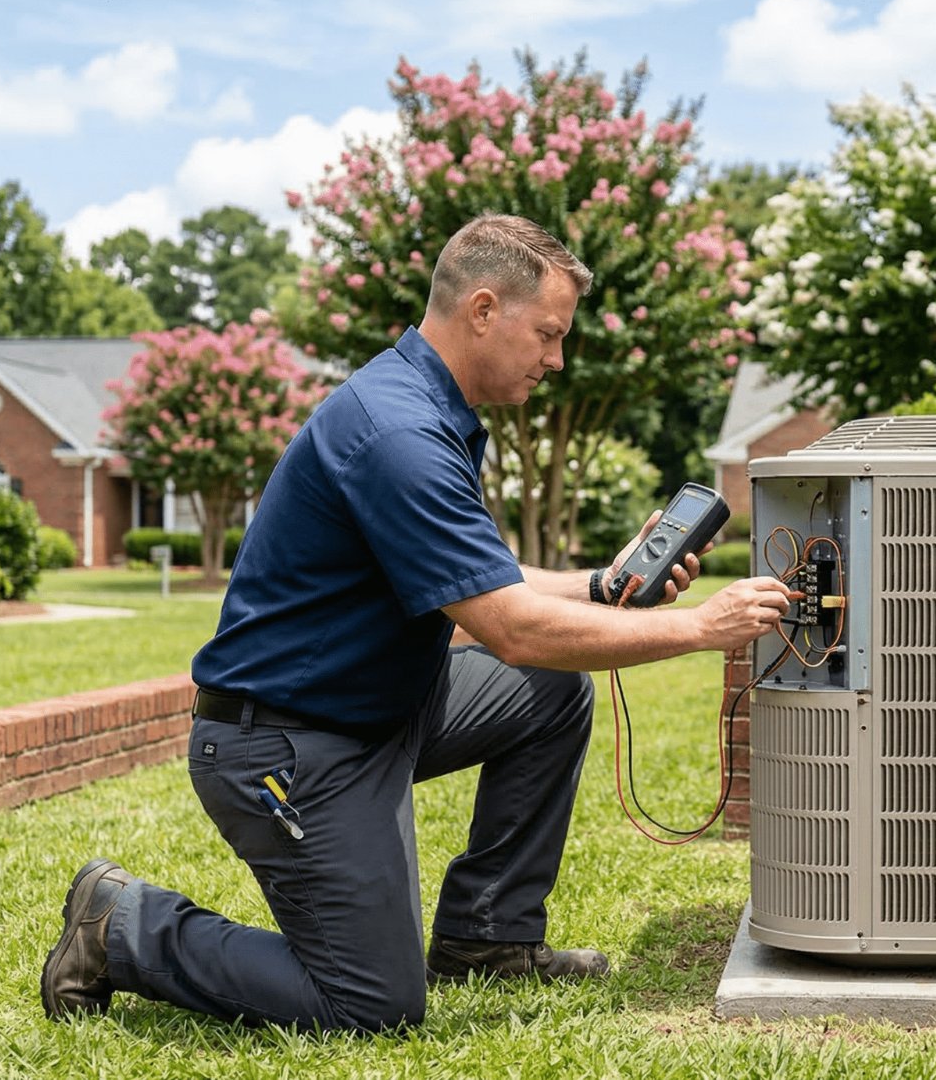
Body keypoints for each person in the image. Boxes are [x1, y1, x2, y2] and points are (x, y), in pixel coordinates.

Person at [40, 214, 796, 1032]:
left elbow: (484, 588)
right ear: (481, 310)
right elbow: (510, 627)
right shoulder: (398, 432)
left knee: (548, 692)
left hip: (378, 711)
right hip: (289, 745)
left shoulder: (425, 408)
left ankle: (487, 938)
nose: (557, 359)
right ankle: (121, 925)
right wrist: (699, 628)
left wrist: (598, 585)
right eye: (547, 333)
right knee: (369, 1004)